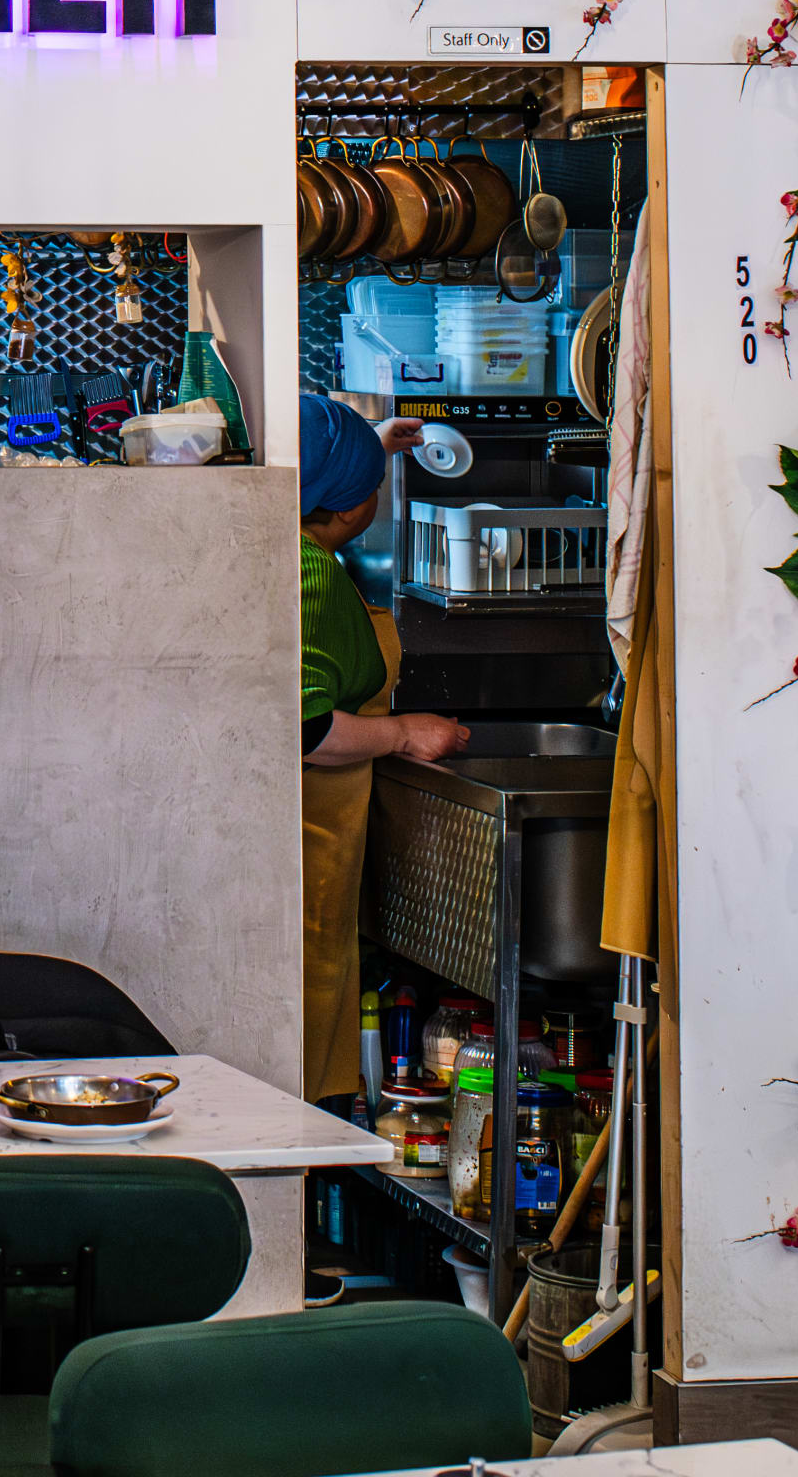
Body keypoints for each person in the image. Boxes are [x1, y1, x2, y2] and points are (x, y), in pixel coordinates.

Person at [297, 393, 469, 1105]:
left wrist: (371, 445)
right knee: (304, 1008)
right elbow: (305, 728)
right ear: (342, 510)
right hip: (307, 840)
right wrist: (402, 732)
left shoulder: (286, 537)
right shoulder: (309, 574)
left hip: (318, 835)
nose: (376, 500)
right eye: (371, 489)